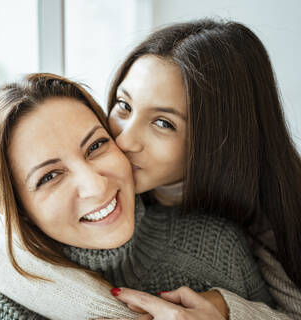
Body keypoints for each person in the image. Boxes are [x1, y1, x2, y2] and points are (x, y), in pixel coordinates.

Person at [0, 72, 272, 320]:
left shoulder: (217, 247)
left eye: (96, 145)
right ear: (20, 208)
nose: (95, 186)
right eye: (50, 176)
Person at [99, 18, 301, 319]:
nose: (125, 140)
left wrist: (226, 308)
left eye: (163, 123)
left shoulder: (277, 211)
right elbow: (8, 260)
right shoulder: (91, 167)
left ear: (221, 137)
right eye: (124, 105)